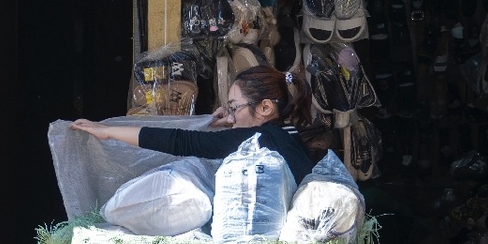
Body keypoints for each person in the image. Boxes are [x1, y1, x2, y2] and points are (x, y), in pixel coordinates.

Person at [71, 65, 317, 183]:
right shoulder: (288, 132)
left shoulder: (260, 141)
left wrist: (108, 132)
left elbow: (183, 141)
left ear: (264, 108)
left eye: (234, 107)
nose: (230, 117)